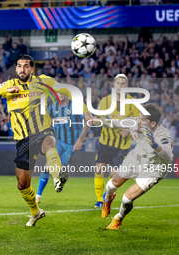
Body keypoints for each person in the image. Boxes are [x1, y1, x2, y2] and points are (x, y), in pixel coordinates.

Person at [0, 54, 91, 227]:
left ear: (32, 68)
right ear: (16, 68)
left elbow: (69, 91)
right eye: (19, 66)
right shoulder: (9, 85)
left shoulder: (43, 81)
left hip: (42, 130)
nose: (22, 69)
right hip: (22, 139)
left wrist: (85, 112)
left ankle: (58, 174)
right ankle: (36, 212)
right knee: (22, 184)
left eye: (26, 66)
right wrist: (3, 91)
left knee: (48, 144)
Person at [100, 104, 173, 230]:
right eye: (139, 117)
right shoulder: (135, 122)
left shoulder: (163, 135)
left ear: (153, 123)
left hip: (154, 168)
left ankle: (118, 218)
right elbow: (115, 123)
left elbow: (168, 156)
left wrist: (154, 144)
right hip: (136, 158)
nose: (139, 121)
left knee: (127, 199)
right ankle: (107, 199)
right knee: (111, 185)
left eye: (143, 120)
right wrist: (107, 121)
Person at [93, 74, 139, 208]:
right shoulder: (105, 101)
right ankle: (99, 200)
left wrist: (129, 130)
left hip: (122, 145)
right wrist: (108, 123)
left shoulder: (132, 103)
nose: (120, 86)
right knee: (99, 169)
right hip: (105, 142)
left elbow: (137, 122)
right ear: (114, 85)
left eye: (123, 83)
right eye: (118, 83)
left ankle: (104, 197)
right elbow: (96, 119)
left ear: (126, 86)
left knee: (113, 174)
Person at [36, 93, 89, 203]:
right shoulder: (53, 106)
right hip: (57, 141)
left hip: (71, 144)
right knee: (47, 166)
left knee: (61, 169)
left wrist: (80, 139)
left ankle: (59, 181)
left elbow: (87, 121)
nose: (60, 95)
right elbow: (45, 119)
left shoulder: (75, 106)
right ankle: (38, 195)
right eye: (58, 92)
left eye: (62, 92)